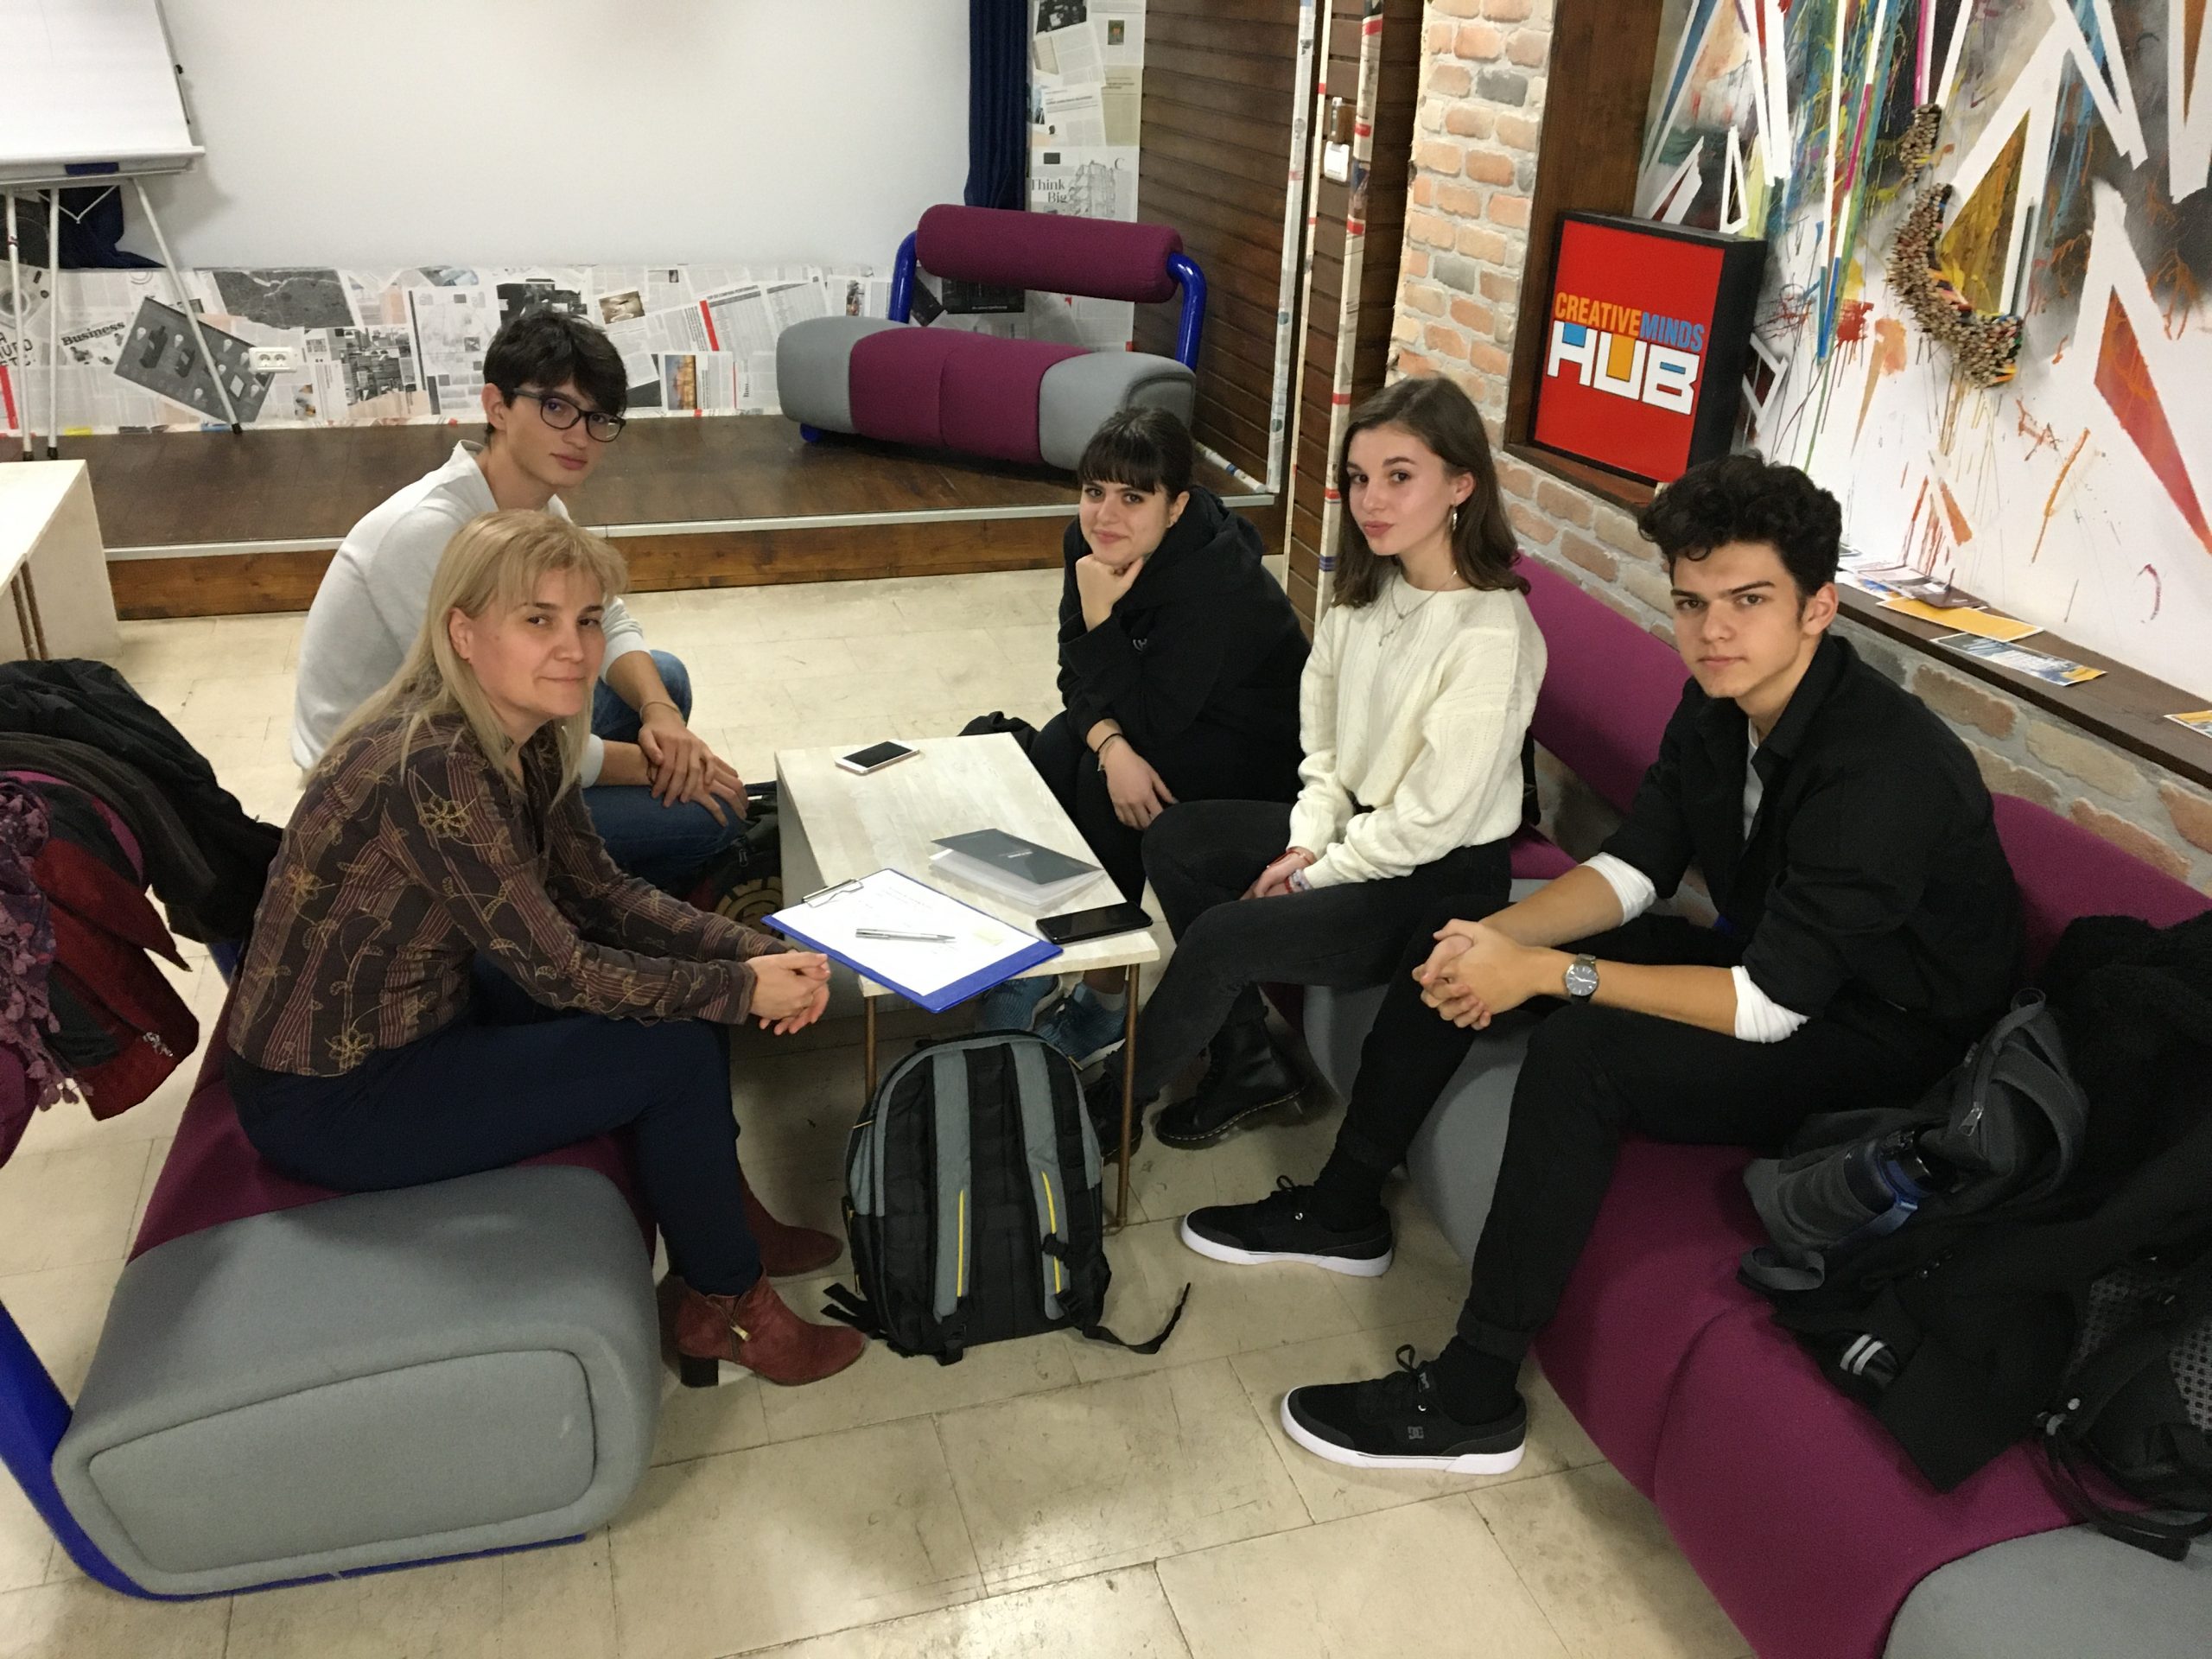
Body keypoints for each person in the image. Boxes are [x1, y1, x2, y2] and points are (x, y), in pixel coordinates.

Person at [1182, 452, 2024, 1475]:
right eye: (1692, 602)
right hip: (1769, 962)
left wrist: (1547, 975)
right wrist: (1506, 940)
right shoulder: (1719, 703)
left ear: (1817, 608)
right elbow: (1635, 868)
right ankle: (1344, 1207)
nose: (1713, 630)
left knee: (1582, 1053)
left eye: (1749, 600)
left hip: (1885, 1042)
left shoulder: (1881, 770)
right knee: (1457, 925)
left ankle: (1474, 1396)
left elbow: (1769, 1006)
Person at [230, 511, 861, 1387]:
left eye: (588, 619)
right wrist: (739, 987)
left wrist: (752, 948)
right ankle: (726, 1306)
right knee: (675, 1046)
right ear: (463, 632)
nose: (576, 648)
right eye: (539, 619)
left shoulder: (516, 731)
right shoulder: (436, 765)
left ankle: (726, 1223)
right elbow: (562, 969)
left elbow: (600, 890)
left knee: (686, 996)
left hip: (418, 1018)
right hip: (332, 1095)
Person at [1084, 374, 1547, 1154]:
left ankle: (1107, 1106)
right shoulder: (1363, 597)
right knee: (1176, 838)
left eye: (1399, 477)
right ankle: (1246, 1059)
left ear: (1461, 484)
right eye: (1360, 478)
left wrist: (1310, 876)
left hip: (1438, 879)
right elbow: (1325, 757)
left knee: (1225, 936)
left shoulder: (1492, 634)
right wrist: (1305, 844)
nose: (1372, 501)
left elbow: (1430, 821)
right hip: (1359, 833)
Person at [290, 308, 749, 894]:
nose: (580, 436)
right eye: (557, 408)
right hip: (398, 788)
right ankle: (569, 898)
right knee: (711, 813)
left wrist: (661, 716)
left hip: (470, 731)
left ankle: (588, 870)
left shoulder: (536, 507)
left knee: (663, 679)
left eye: (599, 418)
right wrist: (654, 766)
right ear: (497, 407)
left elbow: (607, 616)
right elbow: (481, 725)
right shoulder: (425, 532)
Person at [983, 408, 1308, 1059]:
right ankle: (1037, 955)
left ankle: (1105, 997)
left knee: (1099, 785)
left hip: (1256, 754)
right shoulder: (1089, 547)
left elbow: (1155, 719)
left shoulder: (1217, 583)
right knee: (1060, 747)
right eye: (1094, 491)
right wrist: (1111, 744)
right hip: (1166, 717)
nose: (1106, 515)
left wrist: (1100, 619)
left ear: (1176, 506)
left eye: (1133, 497)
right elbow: (1074, 676)